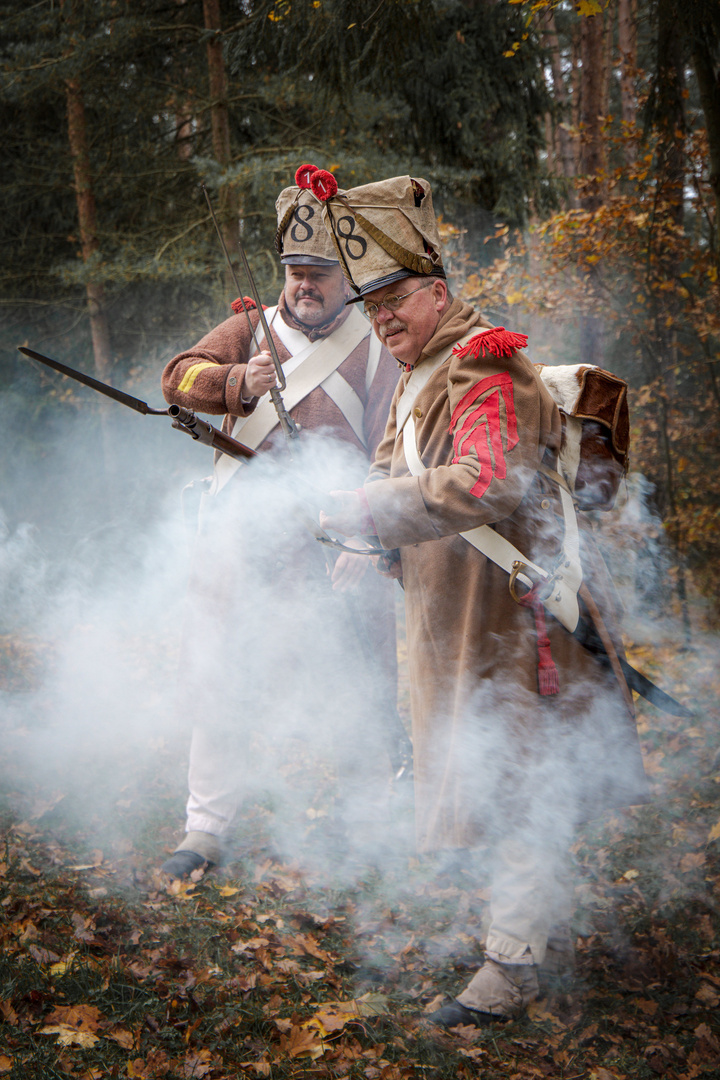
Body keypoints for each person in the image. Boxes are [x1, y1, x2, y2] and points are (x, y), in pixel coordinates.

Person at [316, 174, 648, 1024]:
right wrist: (368, 535)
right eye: (372, 305)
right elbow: (402, 482)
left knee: (518, 784)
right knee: (495, 780)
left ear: (437, 292)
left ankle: (512, 969)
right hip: (455, 615)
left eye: (395, 300)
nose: (382, 318)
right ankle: (533, 931)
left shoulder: (485, 359)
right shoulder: (422, 372)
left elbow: (488, 482)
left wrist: (365, 510)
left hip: (510, 621)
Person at [159, 166, 402, 880]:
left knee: (362, 690)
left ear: (347, 275)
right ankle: (204, 830)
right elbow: (175, 376)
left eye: (319, 272)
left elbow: (394, 447)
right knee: (223, 680)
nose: (305, 283)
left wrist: (370, 532)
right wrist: (237, 383)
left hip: (338, 550)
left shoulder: (375, 344)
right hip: (245, 545)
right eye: (296, 269)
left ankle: (369, 835)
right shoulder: (248, 327)